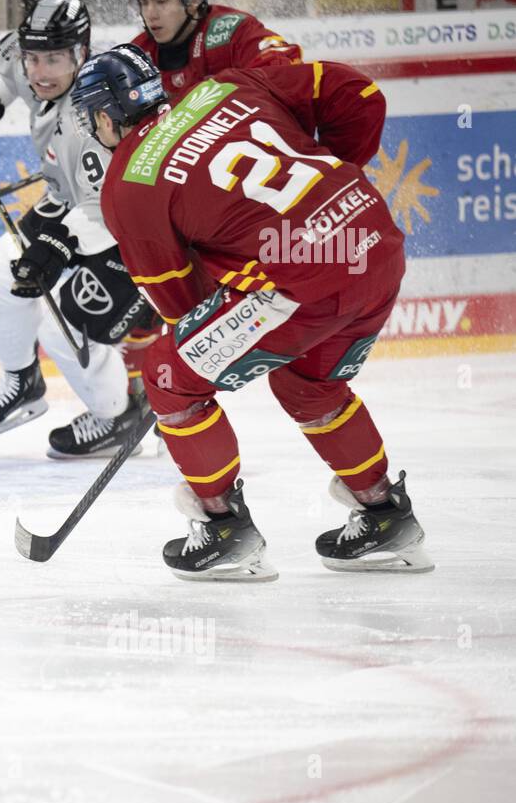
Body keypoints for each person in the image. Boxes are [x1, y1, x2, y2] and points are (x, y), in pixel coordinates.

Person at [71, 44, 434, 580]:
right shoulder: (226, 86)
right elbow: (359, 94)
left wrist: (210, 337)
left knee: (169, 376)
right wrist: (331, 191)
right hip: (375, 242)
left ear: (105, 115)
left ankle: (223, 529)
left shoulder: (130, 184)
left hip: (304, 284)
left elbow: (180, 302)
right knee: (308, 386)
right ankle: (384, 516)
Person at [0, 0, 150, 458]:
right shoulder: (25, 55)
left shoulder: (96, 111)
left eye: (54, 58)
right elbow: (6, 69)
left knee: (62, 328)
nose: (39, 71)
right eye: (35, 57)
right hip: (67, 200)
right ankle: (22, 382)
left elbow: (112, 205)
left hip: (127, 227)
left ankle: (118, 416)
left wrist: (61, 244)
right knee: (0, 274)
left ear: (81, 54)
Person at [128, 0, 301, 104]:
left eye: (161, 1)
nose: (150, 13)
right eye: (144, 3)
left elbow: (287, 72)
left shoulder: (231, 31)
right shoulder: (136, 55)